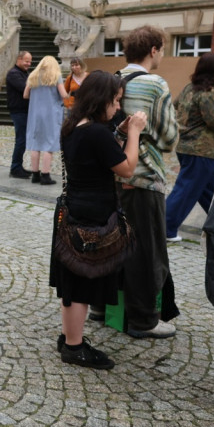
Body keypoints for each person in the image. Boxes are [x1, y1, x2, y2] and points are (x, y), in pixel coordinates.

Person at [53, 71, 147, 369]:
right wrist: (134, 133)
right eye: (115, 101)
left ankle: (70, 337)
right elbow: (127, 168)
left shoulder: (73, 126)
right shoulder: (95, 133)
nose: (118, 107)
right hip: (93, 218)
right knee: (80, 283)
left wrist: (116, 133)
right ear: (101, 100)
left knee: (72, 282)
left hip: (74, 212)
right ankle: (74, 347)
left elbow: (99, 156)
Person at [115, 26, 180, 339]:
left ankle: (108, 311)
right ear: (154, 49)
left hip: (112, 176)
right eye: (163, 48)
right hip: (144, 177)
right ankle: (144, 320)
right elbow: (169, 137)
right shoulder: (155, 84)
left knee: (113, 248)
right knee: (147, 253)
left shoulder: (111, 79)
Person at [164, 53, 214, 242]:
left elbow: (175, 105)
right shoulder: (208, 93)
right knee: (185, 191)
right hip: (201, 151)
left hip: (190, 148)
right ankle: (165, 228)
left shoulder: (190, 88)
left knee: (213, 193)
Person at [24, 56, 68, 185]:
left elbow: (25, 95)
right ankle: (45, 175)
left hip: (35, 114)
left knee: (35, 144)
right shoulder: (56, 76)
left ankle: (35, 175)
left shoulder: (33, 76)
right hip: (51, 114)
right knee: (49, 144)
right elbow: (63, 94)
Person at [6, 51, 33, 178]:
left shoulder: (23, 73)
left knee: (23, 140)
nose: (29, 64)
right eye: (26, 61)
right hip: (18, 111)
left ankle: (18, 166)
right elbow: (25, 88)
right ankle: (15, 168)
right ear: (19, 59)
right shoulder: (13, 74)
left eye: (30, 61)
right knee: (21, 140)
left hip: (24, 110)